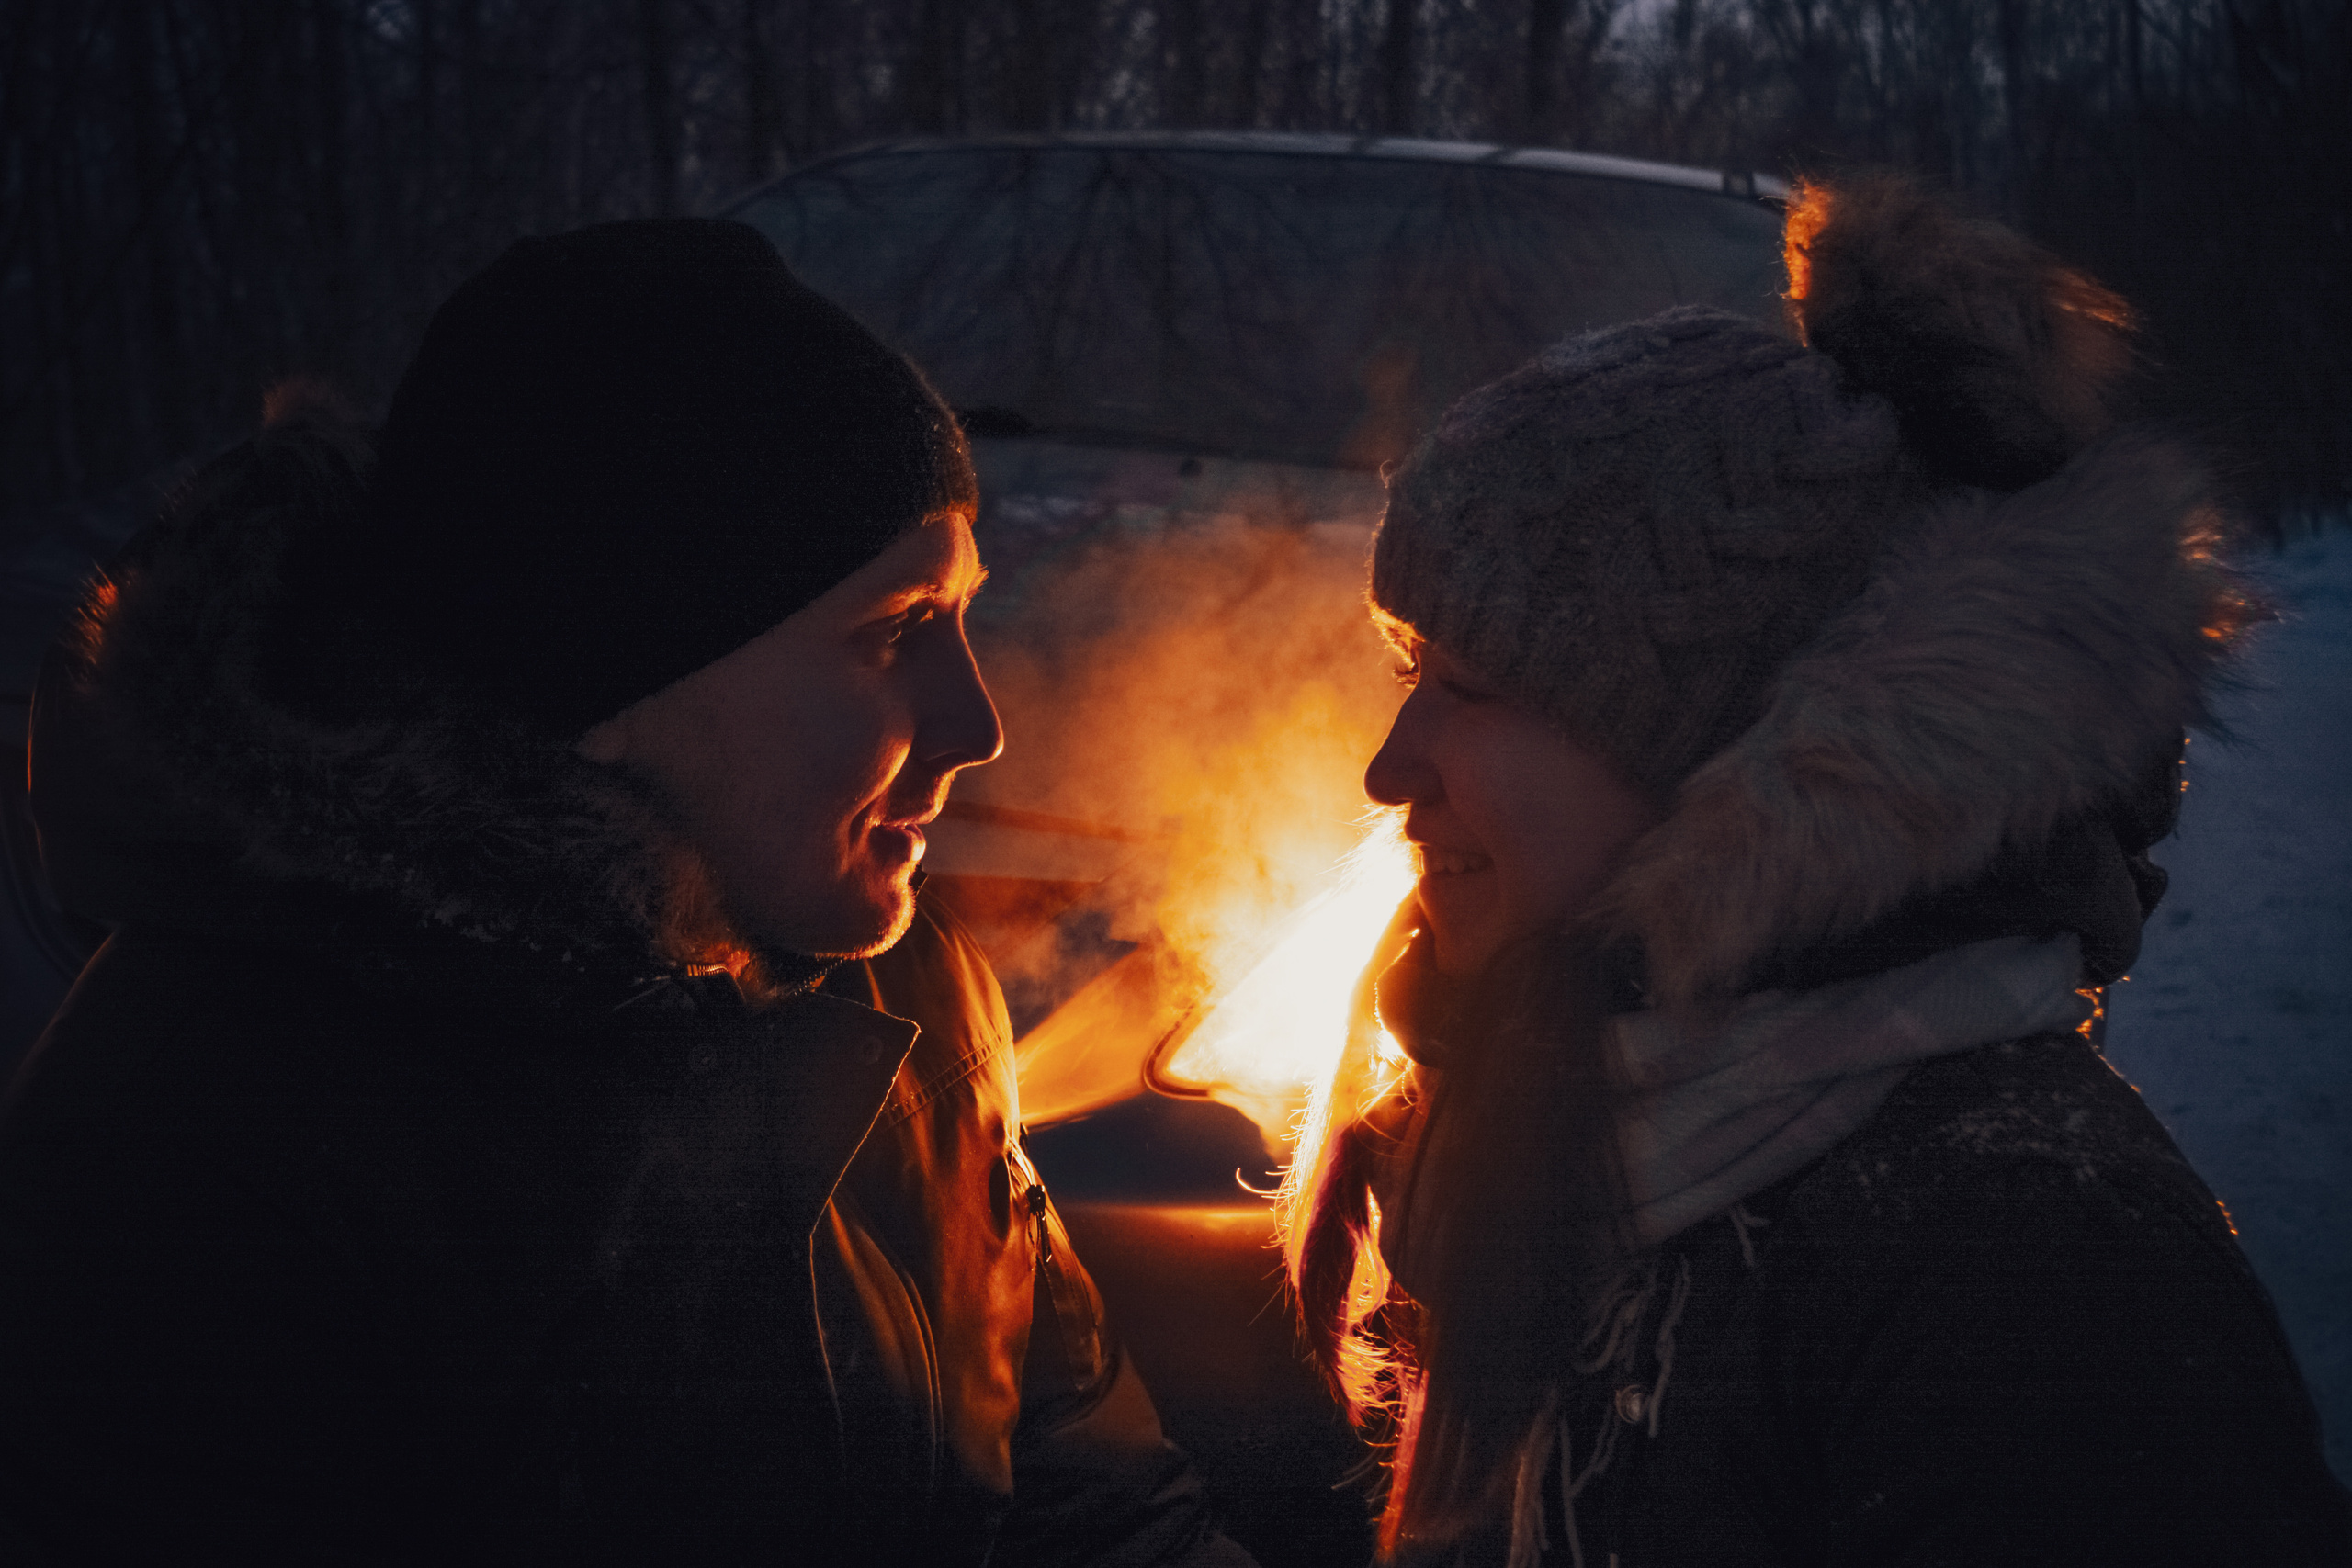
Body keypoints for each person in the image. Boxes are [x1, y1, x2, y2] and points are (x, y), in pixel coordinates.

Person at [0, 220, 1252, 1566]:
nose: (979, 725)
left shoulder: (898, 985)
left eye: (962, 615)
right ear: (603, 689)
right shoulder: (188, 1152)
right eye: (894, 633)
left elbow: (1097, 1510)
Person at [1282, 175, 2352, 1565]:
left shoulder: (2034, 1276)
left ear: (1727, 761)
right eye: (1408, 671)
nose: (1388, 768)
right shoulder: (1585, 1119)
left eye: (1473, 687)